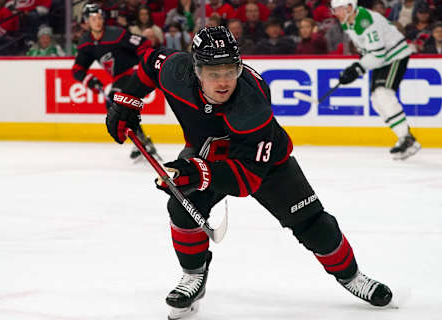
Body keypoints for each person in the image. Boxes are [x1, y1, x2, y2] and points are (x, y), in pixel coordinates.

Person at [105, 26, 393, 319]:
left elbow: (246, 179)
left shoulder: (251, 103)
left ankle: (352, 276)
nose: (223, 82)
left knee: (313, 225)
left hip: (262, 164)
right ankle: (194, 275)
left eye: (230, 70)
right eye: (213, 72)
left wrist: (195, 171)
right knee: (181, 206)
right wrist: (127, 100)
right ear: (196, 69)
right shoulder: (176, 70)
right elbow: (149, 62)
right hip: (206, 151)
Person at [331, 0, 421, 160]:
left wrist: (357, 69)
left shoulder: (366, 21)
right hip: (383, 58)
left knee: (383, 94)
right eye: (334, 10)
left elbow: (378, 55)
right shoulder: (347, 23)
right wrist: (355, 68)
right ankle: (405, 138)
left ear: (350, 7)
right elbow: (368, 50)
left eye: (338, 9)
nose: (335, 13)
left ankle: (407, 139)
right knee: (377, 100)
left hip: (395, 55)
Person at [72, 3, 159, 161]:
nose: (97, 22)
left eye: (99, 18)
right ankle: (142, 140)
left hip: (134, 72)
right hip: (119, 78)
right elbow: (77, 69)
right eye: (93, 19)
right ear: (86, 21)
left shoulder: (116, 34)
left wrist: (142, 65)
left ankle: (140, 141)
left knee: (116, 101)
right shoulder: (86, 43)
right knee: (116, 105)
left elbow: (143, 43)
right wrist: (90, 81)